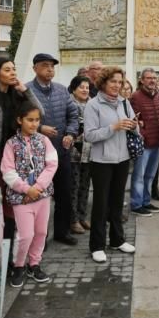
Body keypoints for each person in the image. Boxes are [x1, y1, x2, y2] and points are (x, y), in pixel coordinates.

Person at [83, 66, 139, 263]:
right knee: (101, 203)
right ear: (103, 83)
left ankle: (117, 240)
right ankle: (97, 245)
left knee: (117, 201)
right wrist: (113, 127)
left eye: (120, 82)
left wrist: (134, 125)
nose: (117, 85)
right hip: (101, 161)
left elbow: (134, 124)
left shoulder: (124, 102)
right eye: (113, 81)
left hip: (122, 158)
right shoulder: (93, 104)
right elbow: (89, 135)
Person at [1, 99, 58, 288]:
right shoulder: (11, 144)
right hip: (21, 198)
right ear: (19, 120)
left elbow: (52, 164)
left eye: (37, 120)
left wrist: (38, 187)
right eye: (30, 120)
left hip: (42, 196)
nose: (34, 124)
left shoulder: (44, 141)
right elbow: (7, 171)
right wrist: (27, 189)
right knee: (25, 235)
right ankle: (18, 266)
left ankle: (35, 263)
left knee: (41, 232)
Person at [26, 53, 80, 246]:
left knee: (64, 194)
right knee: (39, 197)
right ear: (35, 68)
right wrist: (40, 128)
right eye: (45, 65)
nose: (50, 69)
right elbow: (18, 119)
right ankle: (39, 237)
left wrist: (71, 134)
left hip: (61, 152)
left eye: (52, 66)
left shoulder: (61, 90)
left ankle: (62, 232)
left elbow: (73, 115)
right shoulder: (26, 90)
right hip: (36, 155)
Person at [129, 68, 159, 217]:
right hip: (144, 144)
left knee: (150, 176)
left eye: (154, 78)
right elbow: (135, 120)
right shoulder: (135, 97)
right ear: (142, 80)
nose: (152, 80)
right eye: (149, 78)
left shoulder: (158, 95)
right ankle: (136, 204)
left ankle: (146, 201)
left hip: (157, 142)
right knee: (139, 175)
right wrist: (143, 135)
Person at [68, 76, 93, 234]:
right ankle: (73, 219)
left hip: (90, 151)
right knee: (74, 186)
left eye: (87, 87)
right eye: (81, 87)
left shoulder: (93, 104)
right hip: (73, 152)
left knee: (85, 185)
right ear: (74, 88)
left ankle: (83, 216)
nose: (85, 90)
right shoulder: (69, 104)